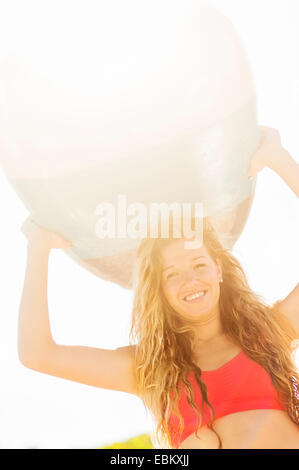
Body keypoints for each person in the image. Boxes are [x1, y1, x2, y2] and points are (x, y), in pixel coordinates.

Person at [18, 126, 299, 449]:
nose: (190, 281)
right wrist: (37, 248)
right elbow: (38, 354)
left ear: (218, 269)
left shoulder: (269, 332)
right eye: (172, 274)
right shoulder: (150, 369)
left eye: (198, 265)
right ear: (160, 291)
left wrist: (277, 157)